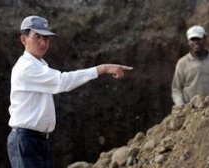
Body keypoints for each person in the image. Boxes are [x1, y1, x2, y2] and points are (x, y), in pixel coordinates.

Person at [7, 15, 133, 168]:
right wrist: (103, 68)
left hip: (37, 140)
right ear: (23, 39)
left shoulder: (39, 66)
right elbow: (62, 81)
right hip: (26, 140)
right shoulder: (27, 68)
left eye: (46, 38)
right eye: (37, 37)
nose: (43, 42)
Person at [171, 25, 209, 107]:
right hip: (192, 110)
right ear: (188, 42)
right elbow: (176, 89)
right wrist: (180, 105)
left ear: (205, 39)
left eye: (198, 39)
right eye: (192, 39)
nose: (196, 42)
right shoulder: (182, 63)